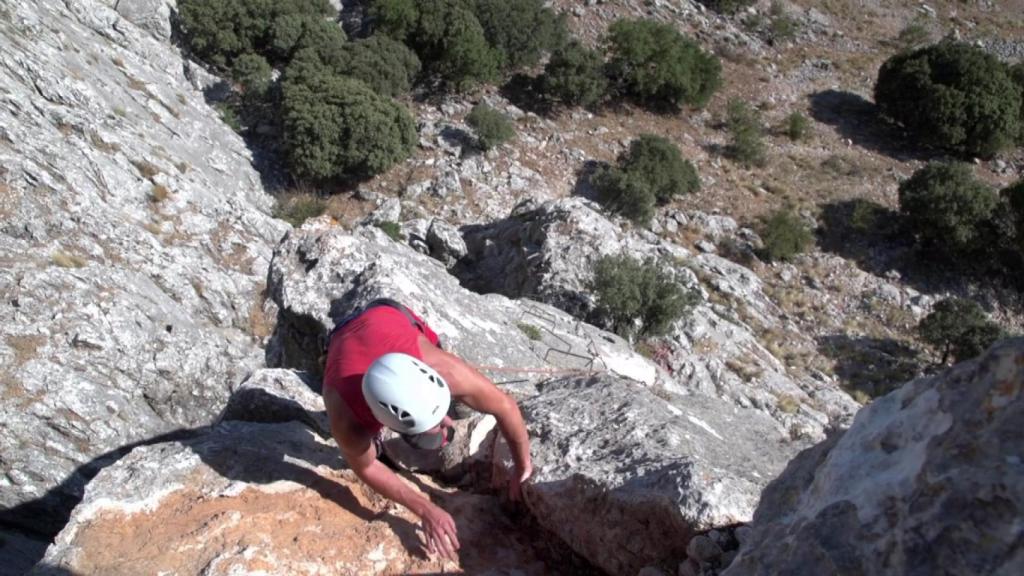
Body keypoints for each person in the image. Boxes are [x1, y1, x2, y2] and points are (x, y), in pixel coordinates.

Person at [321, 299, 533, 561]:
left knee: (458, 410)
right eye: (431, 423)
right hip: (342, 339)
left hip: (388, 314)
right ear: (385, 423)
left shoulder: (445, 369)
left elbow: (506, 407)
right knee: (423, 444)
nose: (444, 425)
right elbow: (365, 466)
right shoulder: (347, 418)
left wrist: (522, 466)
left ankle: (435, 415)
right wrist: (424, 508)